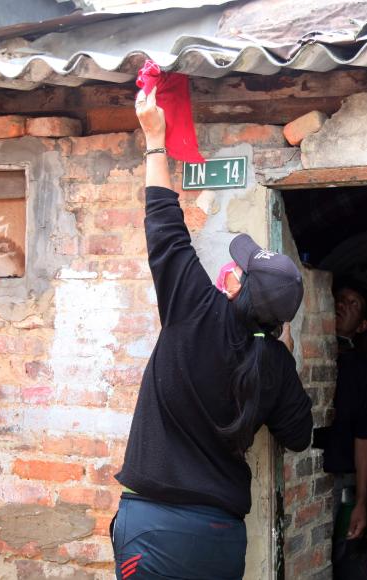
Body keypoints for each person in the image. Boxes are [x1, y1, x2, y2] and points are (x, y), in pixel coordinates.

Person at [111, 87, 312, 580]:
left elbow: (163, 221)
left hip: (154, 525)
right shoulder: (275, 366)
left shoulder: (195, 309)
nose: (231, 266)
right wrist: (285, 356)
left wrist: (154, 138)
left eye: (239, 268)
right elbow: (300, 436)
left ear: (237, 286)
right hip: (221, 535)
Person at [317, 280, 367, 554]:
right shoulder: (299, 350)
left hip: (337, 478)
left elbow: (365, 437)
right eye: (340, 299)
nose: (343, 305)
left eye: (353, 304)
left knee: (332, 555)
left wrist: (360, 502)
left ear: (363, 326)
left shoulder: (365, 372)